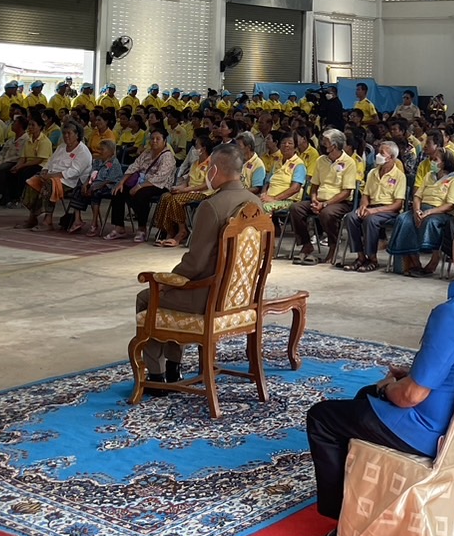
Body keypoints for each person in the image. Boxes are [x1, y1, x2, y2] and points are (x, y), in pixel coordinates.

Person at [296, 204, 454, 536]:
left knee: (324, 417)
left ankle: (346, 527)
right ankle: (360, 506)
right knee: (362, 403)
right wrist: (414, 374)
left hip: (428, 429)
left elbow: (411, 396)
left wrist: (387, 387)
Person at [134, 143, 262, 387]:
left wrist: (166, 281)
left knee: (149, 297)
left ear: (215, 170)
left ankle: (157, 375)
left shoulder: (212, 206)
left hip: (207, 295)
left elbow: (195, 262)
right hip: (240, 296)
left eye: (209, 167)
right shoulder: (255, 203)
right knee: (169, 293)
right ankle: (173, 367)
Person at [389, 146, 454, 276]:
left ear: (445, 163)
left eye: (436, 159)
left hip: (440, 212)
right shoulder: (429, 175)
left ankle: (434, 260)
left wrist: (429, 212)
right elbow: (418, 196)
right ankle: (414, 262)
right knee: (403, 219)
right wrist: (417, 210)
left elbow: (450, 205)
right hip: (421, 208)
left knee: (429, 222)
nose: (432, 162)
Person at [289, 128, 358, 266]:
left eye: (326, 141)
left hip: (340, 202)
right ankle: (306, 244)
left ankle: (333, 246)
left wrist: (325, 204)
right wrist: (314, 199)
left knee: (326, 213)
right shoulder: (321, 160)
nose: (322, 143)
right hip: (319, 199)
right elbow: (314, 185)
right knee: (295, 208)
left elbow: (346, 192)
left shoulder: (349, 162)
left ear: (334, 145)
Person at [343, 140, 406, 270]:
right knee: (351, 217)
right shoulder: (372, 172)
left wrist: (375, 211)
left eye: (382, 153)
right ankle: (360, 256)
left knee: (370, 220)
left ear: (391, 157)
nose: (378, 155)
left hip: (388, 210)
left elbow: (398, 204)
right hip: (371, 206)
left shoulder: (399, 176)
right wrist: (363, 206)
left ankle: (372, 259)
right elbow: (366, 195)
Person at [107, 130, 177, 240]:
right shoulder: (147, 152)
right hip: (141, 181)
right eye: (152, 138)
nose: (154, 141)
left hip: (160, 185)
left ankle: (142, 228)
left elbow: (159, 177)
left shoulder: (168, 156)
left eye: (158, 139)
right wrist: (121, 182)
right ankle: (119, 227)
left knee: (141, 195)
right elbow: (134, 166)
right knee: (118, 191)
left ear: (164, 141)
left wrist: (139, 186)